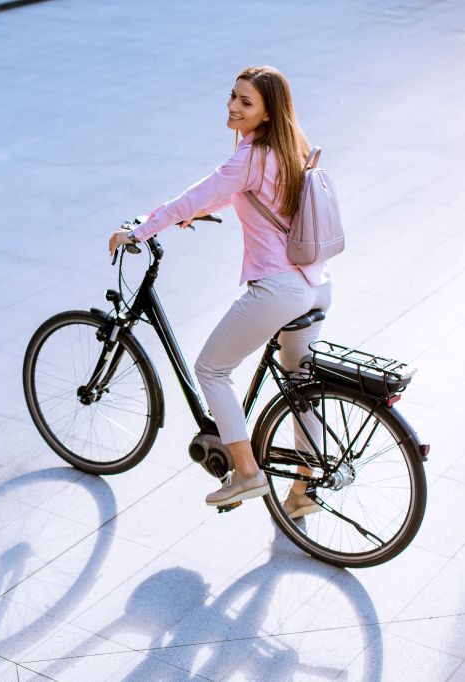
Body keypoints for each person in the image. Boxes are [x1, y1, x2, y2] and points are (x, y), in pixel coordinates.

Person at [107, 65, 331, 512]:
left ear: (268, 113)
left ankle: (247, 474)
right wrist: (200, 211)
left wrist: (142, 231)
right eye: (232, 96)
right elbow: (243, 193)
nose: (233, 106)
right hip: (316, 284)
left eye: (246, 102)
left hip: (278, 289)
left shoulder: (248, 157)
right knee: (300, 384)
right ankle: (303, 492)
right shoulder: (291, 147)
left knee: (211, 369)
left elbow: (199, 193)